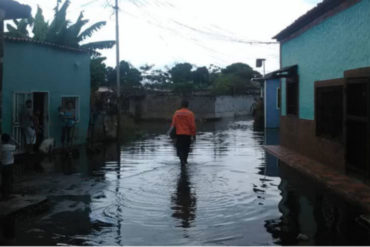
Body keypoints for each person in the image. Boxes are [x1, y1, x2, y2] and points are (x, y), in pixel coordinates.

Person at [168, 99, 196, 165]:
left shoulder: (176, 113)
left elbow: (173, 125)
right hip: (187, 135)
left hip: (179, 134)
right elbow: (192, 125)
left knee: (179, 147)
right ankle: (185, 160)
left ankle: (181, 160)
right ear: (187, 105)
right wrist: (194, 135)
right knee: (186, 148)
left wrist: (170, 134)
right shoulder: (190, 113)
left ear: (181, 105)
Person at [1, 134, 17, 200]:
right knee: (8, 180)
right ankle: (7, 195)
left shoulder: (1, 147)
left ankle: (4, 194)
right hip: (10, 165)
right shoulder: (11, 147)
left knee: (4, 180)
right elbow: (18, 145)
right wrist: (12, 139)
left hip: (3, 165)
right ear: (8, 140)